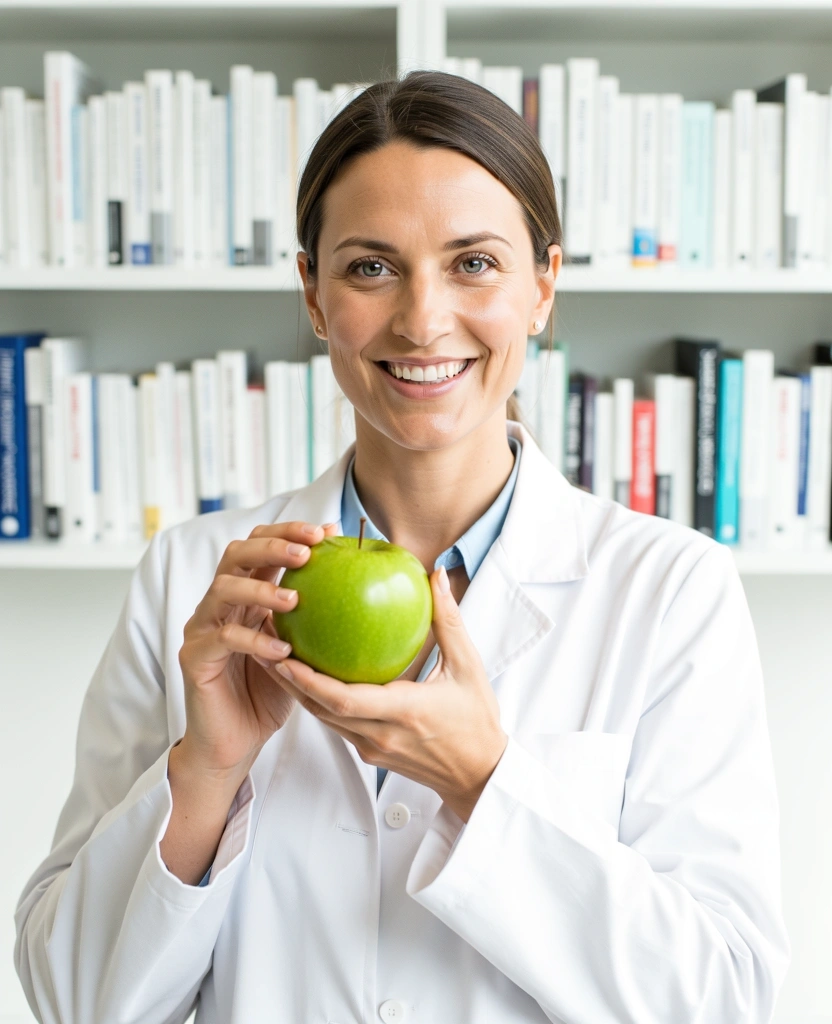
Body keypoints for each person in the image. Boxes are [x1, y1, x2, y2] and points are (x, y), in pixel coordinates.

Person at [15, 70, 790, 1024]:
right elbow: (73, 1001)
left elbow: (722, 998)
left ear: (544, 286)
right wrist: (207, 769)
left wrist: (484, 782)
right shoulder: (192, 580)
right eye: (370, 267)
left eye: (474, 263)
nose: (423, 320)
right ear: (311, 292)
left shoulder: (672, 591)